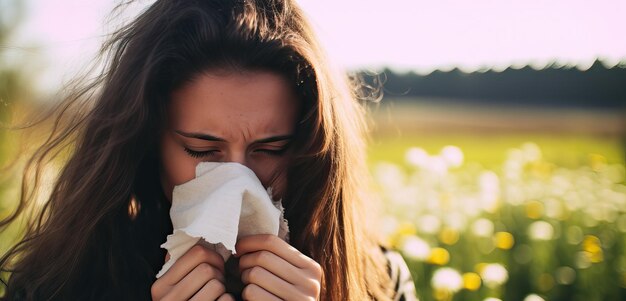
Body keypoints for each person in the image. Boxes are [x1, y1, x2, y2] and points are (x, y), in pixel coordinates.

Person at [0, 0, 417, 300]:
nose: (238, 180)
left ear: (307, 148)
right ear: (147, 143)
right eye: (201, 150)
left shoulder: (377, 279)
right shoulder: (60, 284)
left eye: (269, 149)